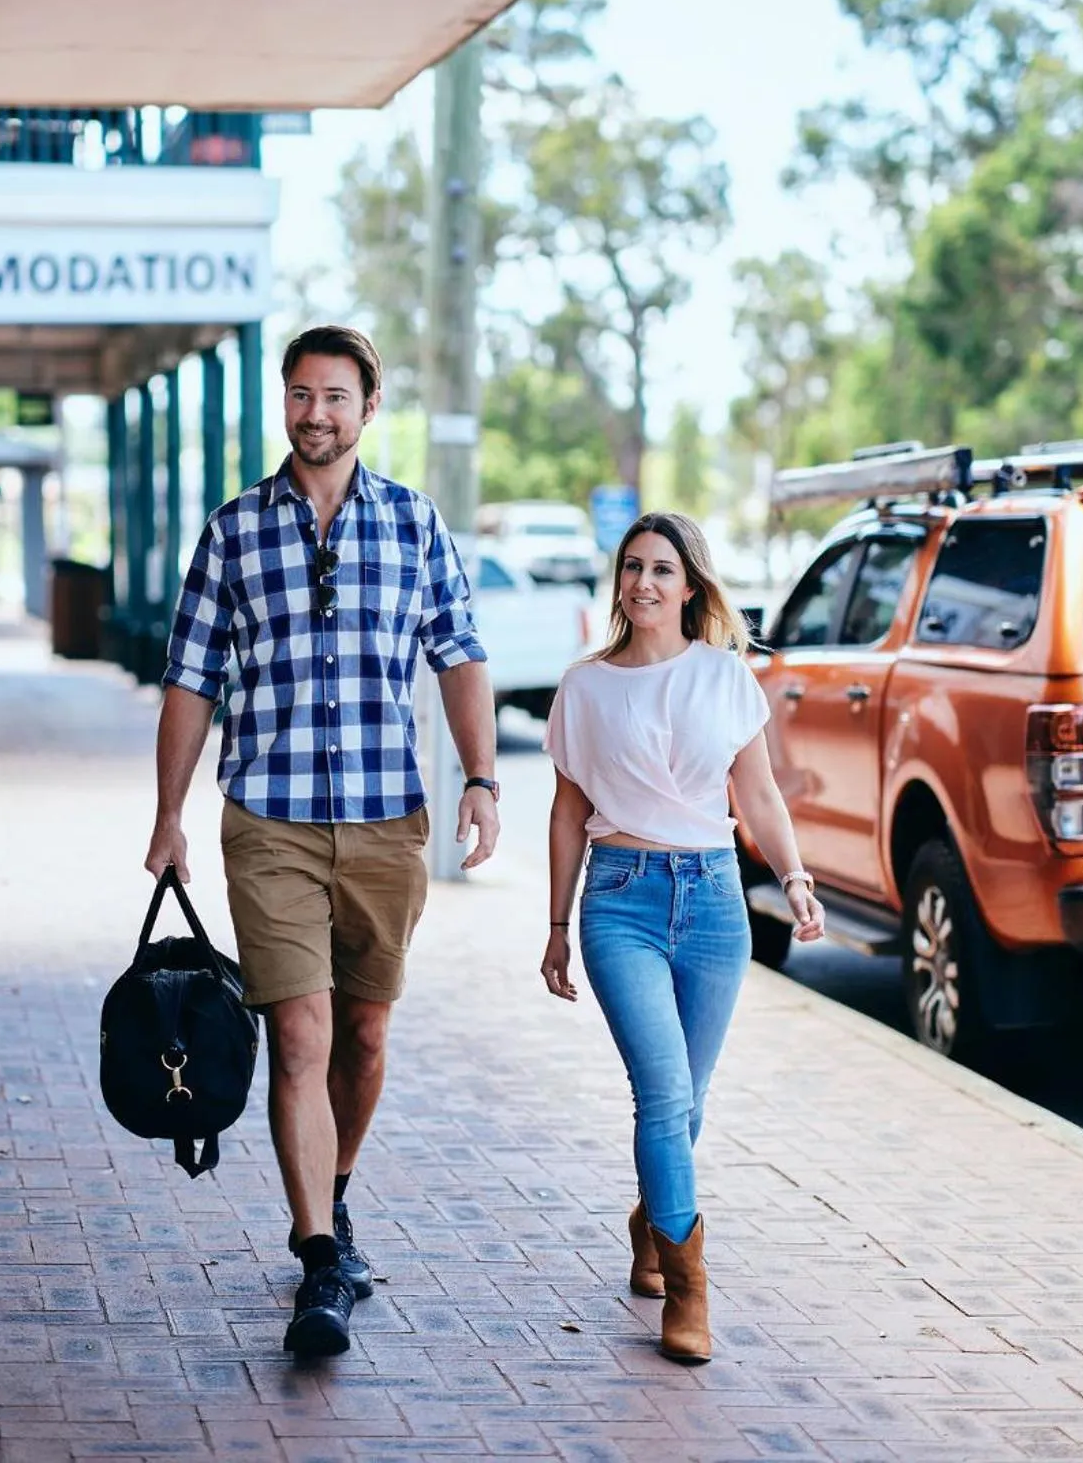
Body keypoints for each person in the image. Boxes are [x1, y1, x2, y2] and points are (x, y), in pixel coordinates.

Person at [146, 325, 500, 1358]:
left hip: (388, 823)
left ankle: (333, 1196)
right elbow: (189, 680)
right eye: (300, 395)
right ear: (284, 405)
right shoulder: (233, 531)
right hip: (269, 824)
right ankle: (315, 1262)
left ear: (367, 408)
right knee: (298, 1036)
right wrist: (167, 817)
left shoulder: (412, 524)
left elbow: (459, 653)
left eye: (334, 397)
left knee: (364, 1037)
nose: (315, 414)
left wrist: (480, 779)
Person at [540, 512, 824, 1364]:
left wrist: (796, 877)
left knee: (688, 1105)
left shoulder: (725, 677)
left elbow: (758, 796)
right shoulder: (584, 686)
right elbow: (565, 812)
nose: (644, 583)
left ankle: (652, 1222)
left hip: (712, 904)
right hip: (619, 901)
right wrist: (555, 925)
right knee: (662, 1098)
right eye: (633, 567)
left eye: (663, 569)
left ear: (691, 585)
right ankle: (691, 1294)